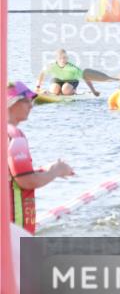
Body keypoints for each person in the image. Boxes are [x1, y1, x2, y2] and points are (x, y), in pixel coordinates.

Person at [7, 82, 75, 234]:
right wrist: (55, 171)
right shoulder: (14, 136)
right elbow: (27, 181)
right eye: (28, 100)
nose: (31, 106)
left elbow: (10, 175)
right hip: (14, 227)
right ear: (12, 102)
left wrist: (44, 170)